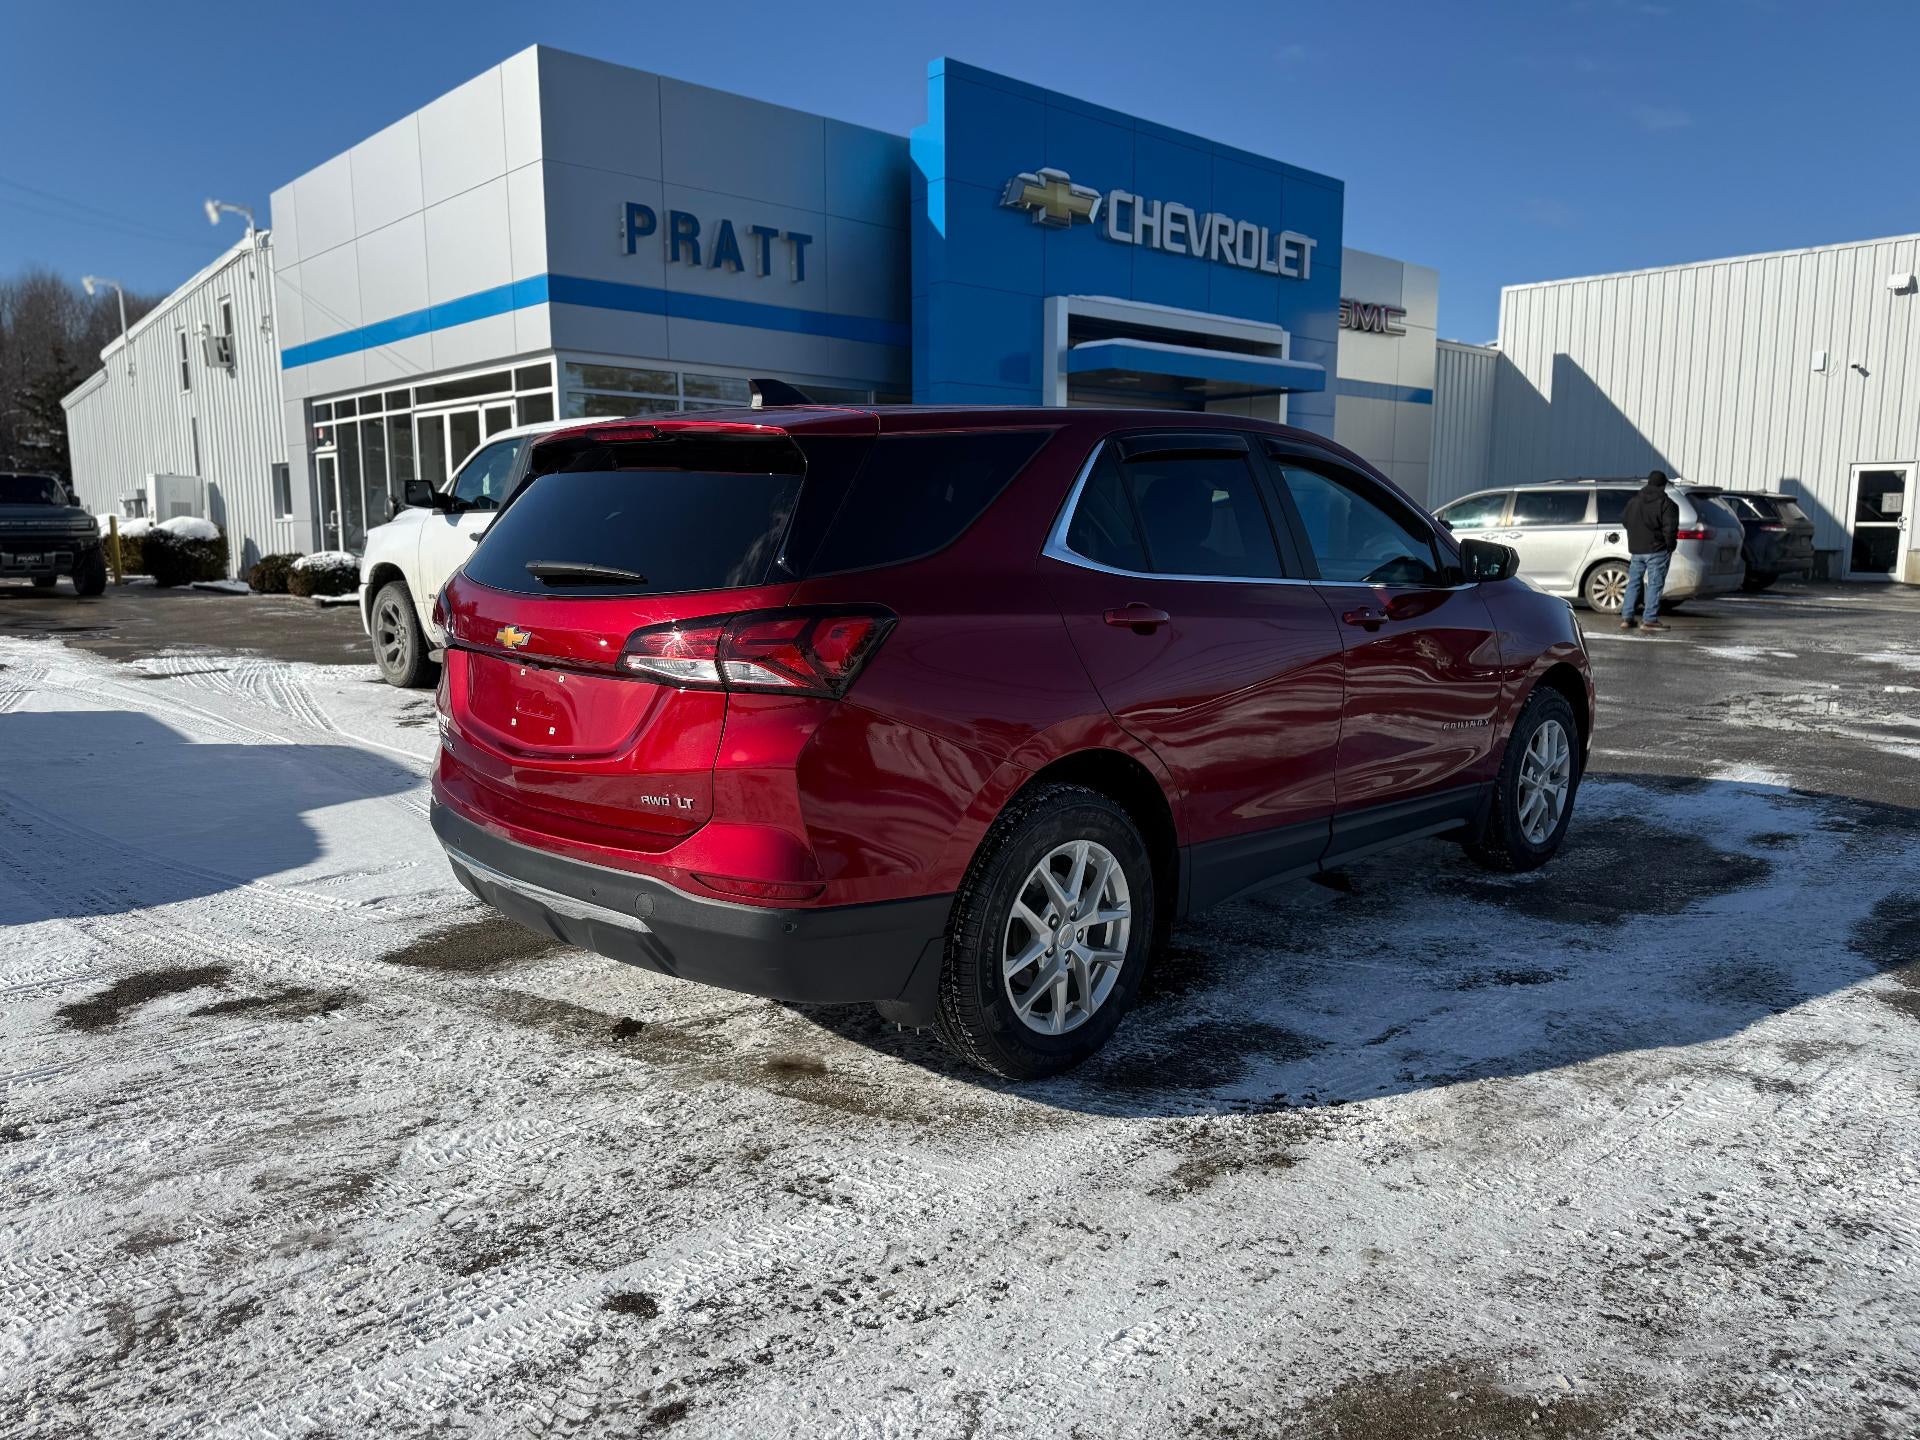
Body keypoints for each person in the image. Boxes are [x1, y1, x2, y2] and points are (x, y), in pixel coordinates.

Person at [1620, 469, 1679, 632]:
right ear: (1663, 485)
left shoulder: (1634, 501)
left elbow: (1625, 520)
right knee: (1655, 584)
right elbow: (1670, 528)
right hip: (1657, 549)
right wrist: (1670, 545)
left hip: (1636, 549)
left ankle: (1627, 617)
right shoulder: (1666, 504)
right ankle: (1649, 619)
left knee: (1633, 583)